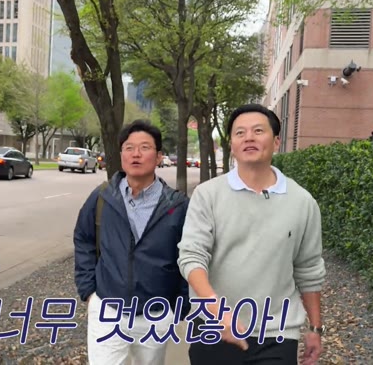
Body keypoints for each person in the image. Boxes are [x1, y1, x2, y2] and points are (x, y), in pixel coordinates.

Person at [177, 104, 326, 365]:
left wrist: (315, 328)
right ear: (232, 145)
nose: (249, 138)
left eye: (258, 131)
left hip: (277, 332)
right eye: (240, 133)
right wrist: (217, 310)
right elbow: (191, 256)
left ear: (276, 141)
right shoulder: (208, 195)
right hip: (214, 327)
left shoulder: (302, 202)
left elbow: (309, 268)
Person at [73, 119, 191, 364]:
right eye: (129, 148)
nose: (136, 154)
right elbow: (84, 239)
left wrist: (179, 306)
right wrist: (89, 292)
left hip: (156, 314)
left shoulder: (177, 205)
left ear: (159, 157)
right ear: (121, 155)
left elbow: (189, 254)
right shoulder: (103, 197)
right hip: (107, 309)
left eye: (145, 147)